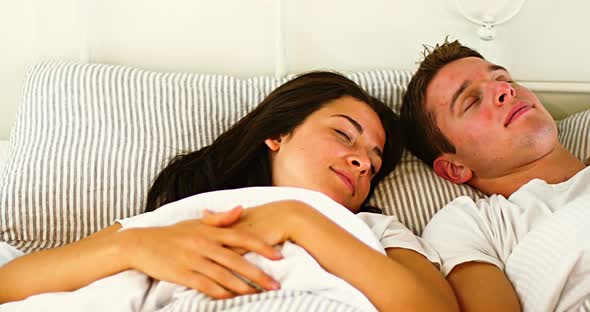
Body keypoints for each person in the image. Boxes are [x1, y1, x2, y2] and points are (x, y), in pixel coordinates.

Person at [0, 71, 458, 311]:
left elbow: (433, 310)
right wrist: (136, 247)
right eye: (344, 135)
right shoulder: (188, 215)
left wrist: (297, 218)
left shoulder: (374, 228)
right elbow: (11, 285)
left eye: (375, 163)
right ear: (279, 133)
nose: (363, 162)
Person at [400, 39, 590, 312]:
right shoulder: (472, 225)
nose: (505, 90)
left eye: (503, 78)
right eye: (472, 101)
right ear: (455, 168)